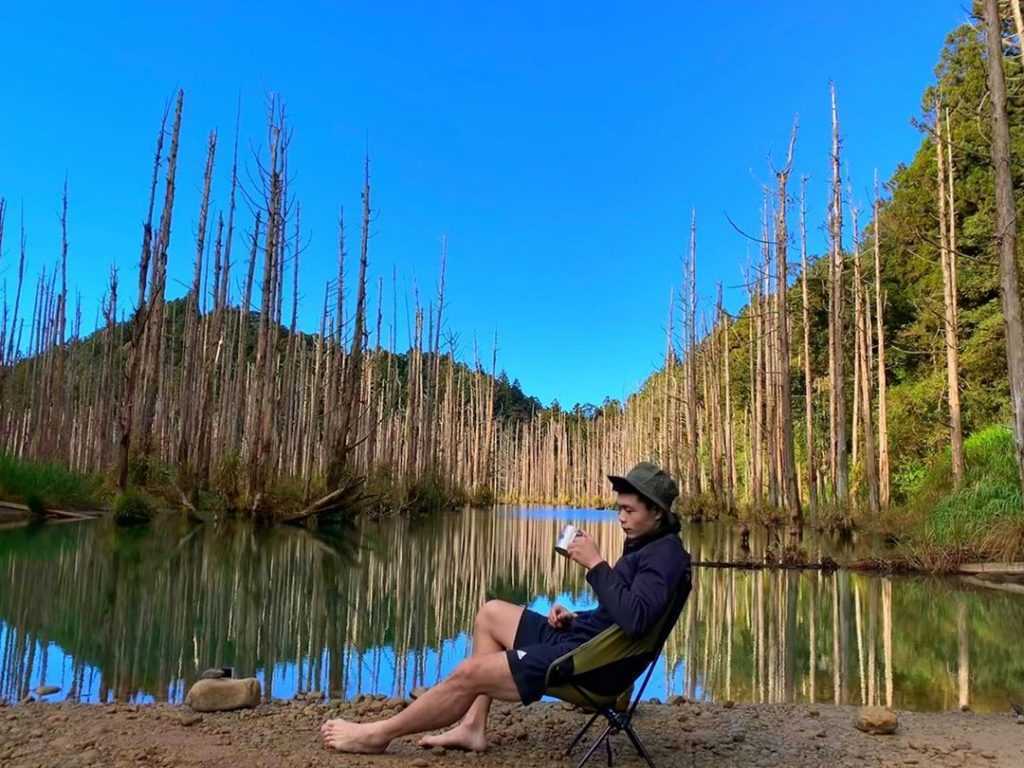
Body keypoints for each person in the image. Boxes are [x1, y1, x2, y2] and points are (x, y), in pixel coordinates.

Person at [320, 461, 691, 754]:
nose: (620, 518)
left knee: (470, 672)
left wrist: (595, 564)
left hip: (588, 665)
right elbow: (622, 615)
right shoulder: (648, 546)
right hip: (586, 641)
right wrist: (576, 615)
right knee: (491, 613)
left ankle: (378, 734)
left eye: (628, 511)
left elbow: (637, 620)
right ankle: (472, 727)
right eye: (618, 509)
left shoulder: (666, 556)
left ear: (657, 512)